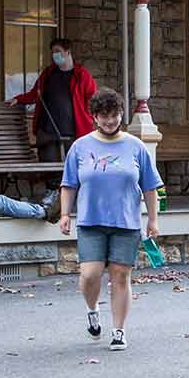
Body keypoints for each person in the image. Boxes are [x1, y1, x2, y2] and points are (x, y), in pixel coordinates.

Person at [57, 89, 162, 351]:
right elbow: (69, 184)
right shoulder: (80, 147)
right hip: (91, 221)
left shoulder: (135, 146)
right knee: (90, 274)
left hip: (126, 222)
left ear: (121, 115)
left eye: (114, 116)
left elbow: (150, 187)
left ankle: (118, 330)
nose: (110, 121)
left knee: (120, 276)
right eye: (104, 117)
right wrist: (64, 213)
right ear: (94, 117)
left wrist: (152, 220)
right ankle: (93, 309)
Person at [11, 38, 98, 162]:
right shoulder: (48, 73)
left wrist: (93, 119)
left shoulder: (82, 75)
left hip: (74, 131)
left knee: (74, 167)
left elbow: (93, 99)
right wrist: (19, 99)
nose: (54, 55)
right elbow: (35, 93)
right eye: (52, 52)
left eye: (58, 51)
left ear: (68, 52)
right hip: (48, 131)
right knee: (48, 168)